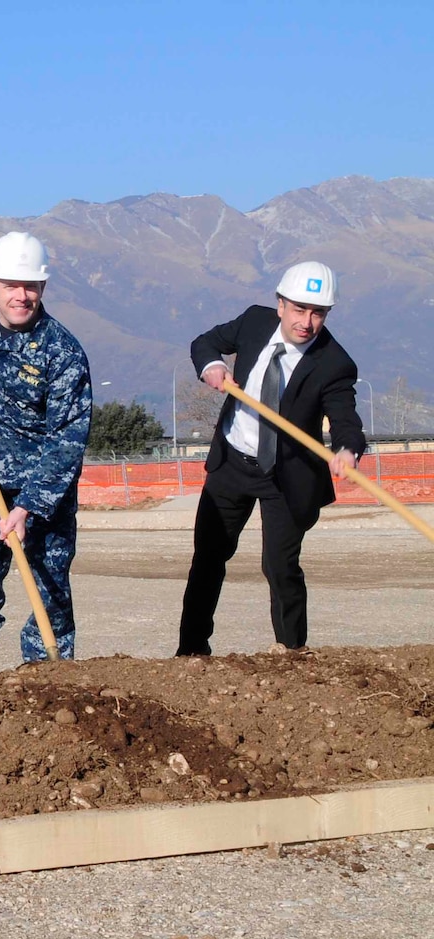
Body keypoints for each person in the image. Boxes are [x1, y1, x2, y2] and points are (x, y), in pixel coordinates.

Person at [176, 262, 364, 656]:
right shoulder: (253, 323)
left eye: (318, 313)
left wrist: (347, 450)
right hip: (232, 462)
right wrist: (212, 366)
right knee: (209, 557)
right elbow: (204, 343)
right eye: (299, 309)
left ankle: (292, 652)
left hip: (287, 475)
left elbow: (346, 419)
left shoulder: (334, 363)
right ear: (280, 304)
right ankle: (191, 650)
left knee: (280, 567)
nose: (307, 322)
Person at [0, 232, 91, 673]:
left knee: (49, 579)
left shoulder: (62, 353)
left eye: (30, 286)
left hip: (43, 486)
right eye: (10, 285)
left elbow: (68, 439)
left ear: (43, 288)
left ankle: (46, 671)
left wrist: (28, 506)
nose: (20, 296)